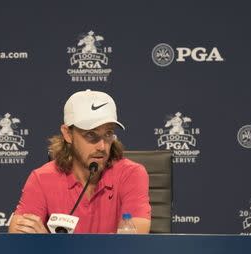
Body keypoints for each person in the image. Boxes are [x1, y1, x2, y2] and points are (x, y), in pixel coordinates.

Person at [8, 89, 151, 234]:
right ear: (68, 134)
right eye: (90, 134)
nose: (102, 146)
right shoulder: (41, 178)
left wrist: (48, 244)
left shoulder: (131, 174)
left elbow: (133, 245)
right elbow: (17, 236)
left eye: (108, 134)